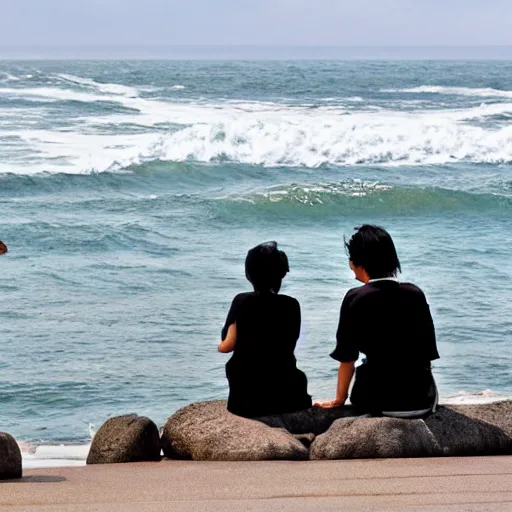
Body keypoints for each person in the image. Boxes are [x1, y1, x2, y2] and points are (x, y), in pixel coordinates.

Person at [316, 225, 439, 417]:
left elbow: (347, 357)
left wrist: (340, 399)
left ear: (358, 262)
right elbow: (427, 352)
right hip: (422, 400)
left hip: (375, 401)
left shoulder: (355, 297)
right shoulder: (415, 294)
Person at [218, 241, 312, 418]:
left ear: (250, 274)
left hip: (245, 399)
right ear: (281, 274)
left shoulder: (241, 301)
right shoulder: (292, 305)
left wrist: (220, 342)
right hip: (287, 394)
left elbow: (227, 346)